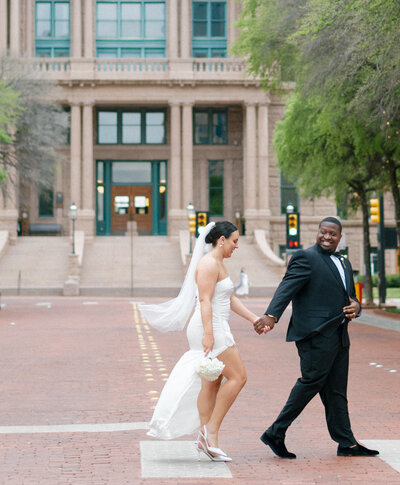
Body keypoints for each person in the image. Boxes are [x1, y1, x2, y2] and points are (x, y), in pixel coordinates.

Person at [254, 217, 379, 459]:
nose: (327, 237)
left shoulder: (344, 261)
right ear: (318, 232)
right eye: (323, 232)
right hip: (315, 334)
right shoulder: (305, 257)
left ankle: (347, 443)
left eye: (333, 234)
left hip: (340, 334)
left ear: (339, 237)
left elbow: (350, 298)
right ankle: (275, 433)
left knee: (336, 390)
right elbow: (286, 287)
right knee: (311, 382)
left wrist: (357, 307)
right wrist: (271, 315)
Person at [139, 221, 261, 462]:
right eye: (235, 241)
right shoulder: (207, 264)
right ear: (222, 239)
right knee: (238, 377)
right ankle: (209, 430)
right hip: (210, 326)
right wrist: (208, 333)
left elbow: (229, 298)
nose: (237, 246)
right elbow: (204, 301)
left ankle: (208, 440)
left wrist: (254, 319)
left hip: (216, 324)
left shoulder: (219, 263)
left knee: (212, 382)